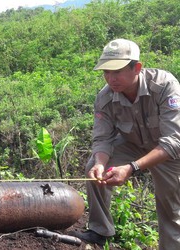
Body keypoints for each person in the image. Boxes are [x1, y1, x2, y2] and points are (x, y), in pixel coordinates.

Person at [70, 38, 180, 248]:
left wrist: (132, 167)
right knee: (93, 166)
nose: (111, 78)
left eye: (117, 71)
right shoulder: (105, 98)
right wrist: (100, 164)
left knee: (171, 212)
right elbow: (103, 139)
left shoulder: (164, 85)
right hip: (132, 144)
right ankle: (99, 230)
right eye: (106, 72)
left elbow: (174, 141)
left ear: (136, 68)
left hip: (168, 153)